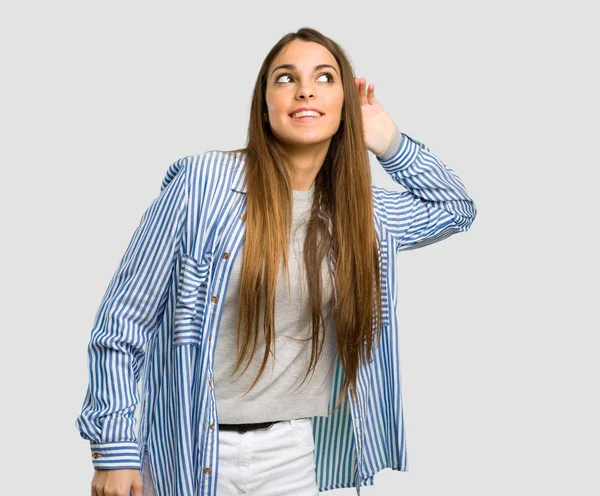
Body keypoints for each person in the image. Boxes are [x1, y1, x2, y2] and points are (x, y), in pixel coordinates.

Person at [75, 27, 477, 496]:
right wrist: (115, 449)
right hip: (188, 452)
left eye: (325, 78)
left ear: (346, 103)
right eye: (286, 78)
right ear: (264, 105)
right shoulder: (202, 185)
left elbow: (455, 209)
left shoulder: (362, 215)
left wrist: (391, 143)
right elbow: (125, 318)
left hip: (291, 453)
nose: (305, 88)